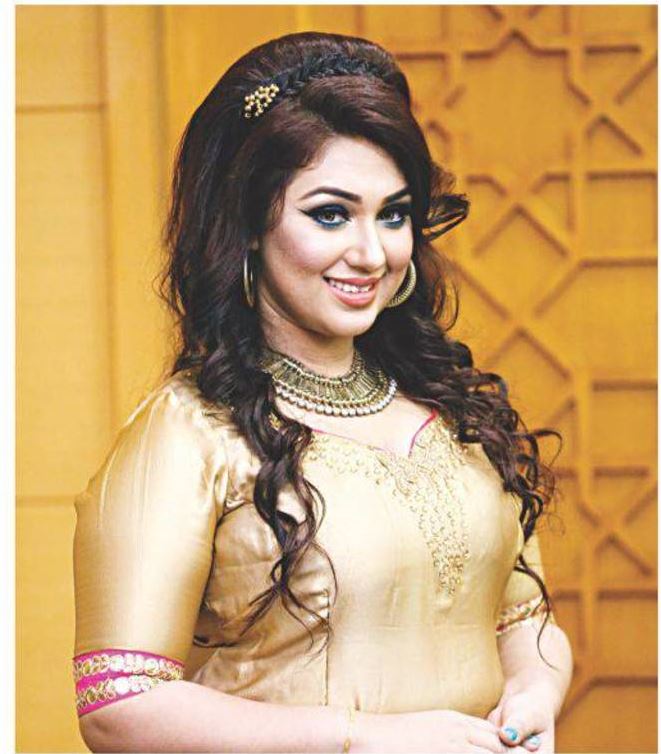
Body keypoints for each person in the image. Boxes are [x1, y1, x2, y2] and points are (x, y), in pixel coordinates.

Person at [72, 31, 573, 753]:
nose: (370, 253)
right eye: (331, 214)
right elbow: (118, 701)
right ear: (248, 225)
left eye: (393, 214)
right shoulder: (188, 432)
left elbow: (520, 620)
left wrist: (534, 692)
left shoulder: (454, 410)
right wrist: (365, 739)